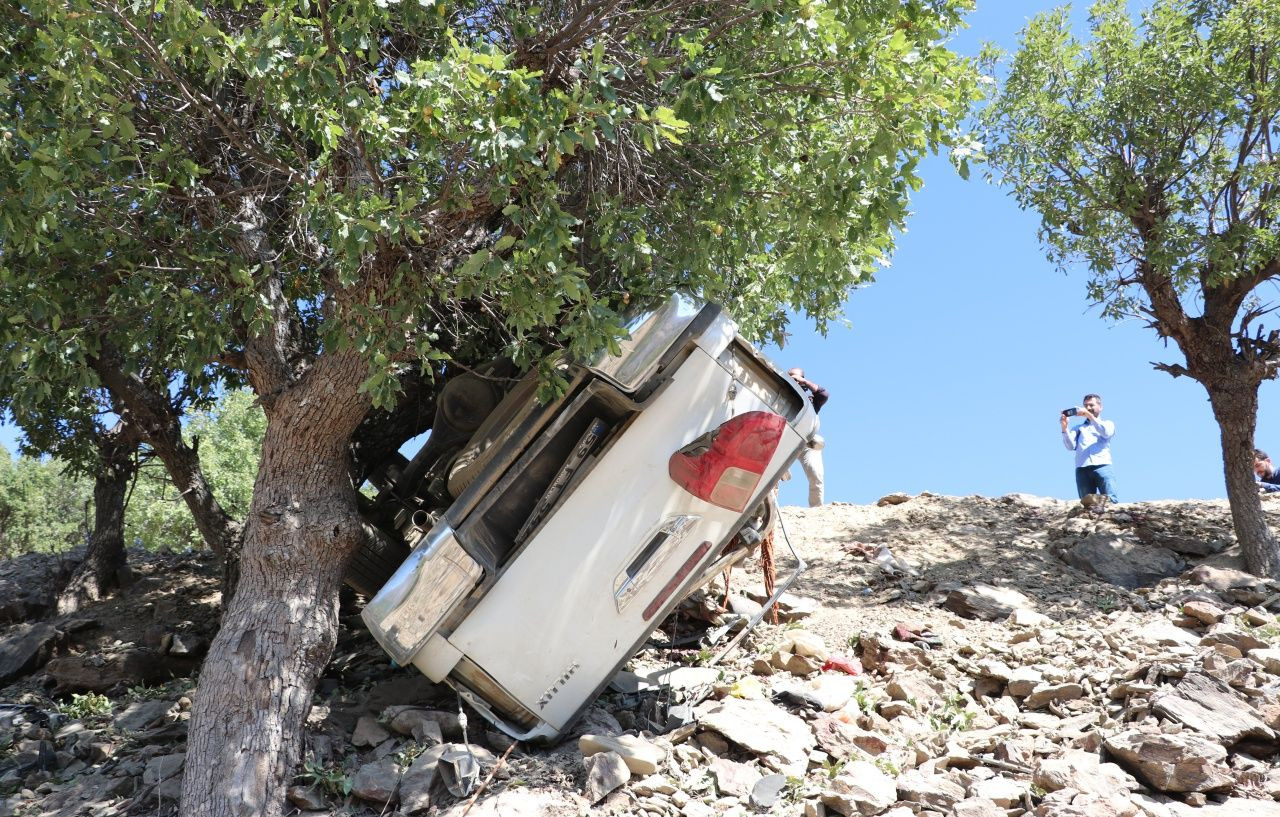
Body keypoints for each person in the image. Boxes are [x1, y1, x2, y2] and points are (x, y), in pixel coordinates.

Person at [1060, 393, 1117, 503]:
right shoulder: (1078, 428)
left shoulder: (1108, 423)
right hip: (1082, 468)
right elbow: (1070, 446)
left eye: (1091, 405)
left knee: (1111, 499)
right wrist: (1064, 428)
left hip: (1102, 465)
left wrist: (1089, 416)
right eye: (1085, 405)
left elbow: (1106, 432)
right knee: (1086, 502)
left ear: (1100, 407)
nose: (1088, 408)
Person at [787, 368, 828, 506]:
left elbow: (824, 394)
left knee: (816, 476)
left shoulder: (810, 400)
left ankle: (816, 510)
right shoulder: (782, 395)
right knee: (770, 475)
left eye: (796, 378)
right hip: (786, 442)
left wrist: (804, 381)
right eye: (790, 377)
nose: (794, 380)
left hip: (807, 442)